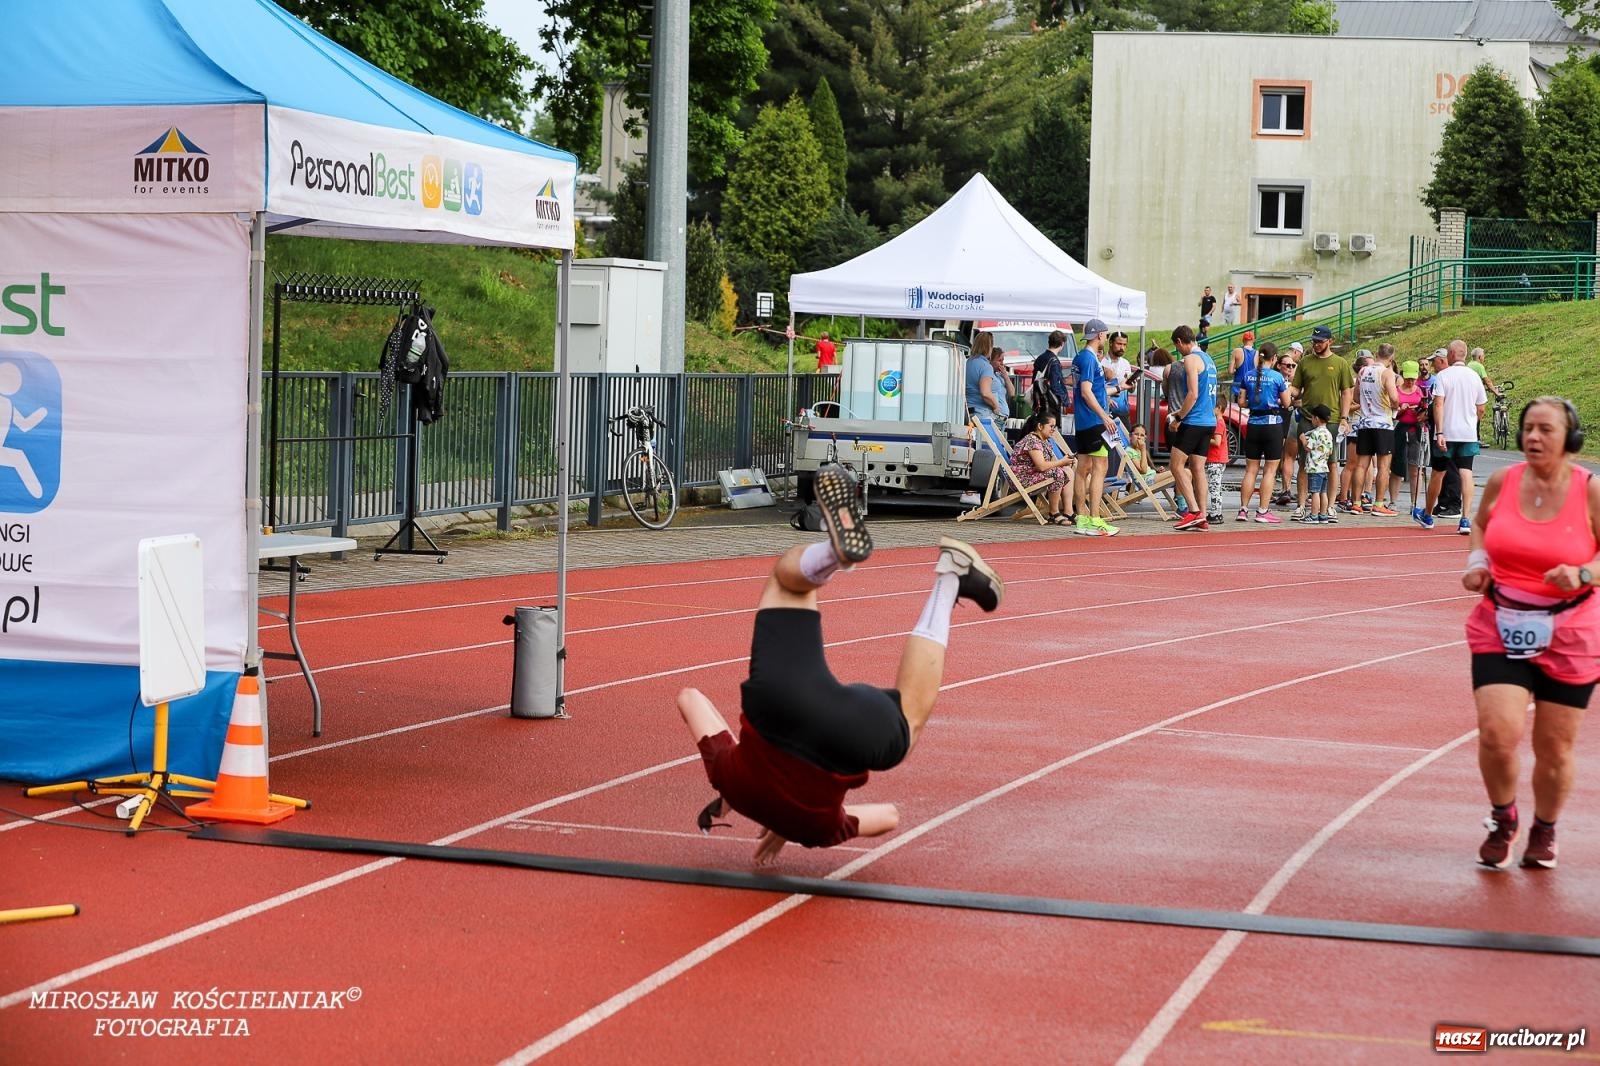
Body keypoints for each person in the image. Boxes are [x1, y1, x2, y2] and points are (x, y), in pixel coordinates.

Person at [682, 463, 1004, 864]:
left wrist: (789, 826)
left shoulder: (816, 830)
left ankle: (951, 577)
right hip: (781, 706)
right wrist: (728, 788)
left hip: (849, 736)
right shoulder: (728, 779)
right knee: (785, 583)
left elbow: (888, 817)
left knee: (911, 717)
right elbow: (690, 697)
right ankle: (834, 553)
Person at [1461, 397, 1600, 869]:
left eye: (1545, 429)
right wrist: (1478, 564)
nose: (1534, 437)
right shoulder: (1503, 480)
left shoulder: (1590, 491)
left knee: (1554, 748)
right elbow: (1480, 527)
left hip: (1573, 630)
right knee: (1498, 734)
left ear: (1570, 440)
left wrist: (1584, 573)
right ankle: (1504, 817)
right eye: (1528, 429)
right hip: (1501, 622)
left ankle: (1545, 828)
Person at [1421, 340, 1487, 534]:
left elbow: (1438, 404)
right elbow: (1481, 407)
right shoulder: (1474, 376)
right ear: (1465, 355)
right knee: (1466, 471)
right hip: (1467, 432)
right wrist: (1472, 423)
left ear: (1450, 354)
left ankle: (1428, 514)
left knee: (1438, 472)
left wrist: (1439, 431)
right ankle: (1465, 518)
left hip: (1447, 431)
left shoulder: (1443, 376)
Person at [1289, 326, 1354, 522]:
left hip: (1331, 420)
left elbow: (1346, 392)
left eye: (1320, 341)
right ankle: (1301, 504)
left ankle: (1330, 506)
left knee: (1331, 463)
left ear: (1330, 341)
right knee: (1303, 462)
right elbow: (1295, 388)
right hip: (1308, 417)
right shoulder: (1305, 362)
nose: (1316, 345)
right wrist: (1283, 390)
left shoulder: (1340, 363)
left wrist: (1344, 417)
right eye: (1314, 341)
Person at [1071, 319, 1119, 537]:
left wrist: (1113, 392)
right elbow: (1086, 391)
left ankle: (1081, 518)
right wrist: (1104, 416)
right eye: (1106, 335)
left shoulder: (1080, 357)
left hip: (1083, 421)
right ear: (1099, 335)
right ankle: (1095, 519)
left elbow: (1091, 390)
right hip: (1094, 421)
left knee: (1082, 470)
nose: (1106, 338)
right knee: (1100, 467)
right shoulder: (1090, 359)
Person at [1167, 324, 1217, 531]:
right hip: (1208, 421)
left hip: (1194, 420)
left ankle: (1194, 511)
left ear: (1180, 341)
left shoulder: (1190, 359)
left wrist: (1178, 416)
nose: (1179, 352)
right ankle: (1202, 515)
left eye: (1177, 347)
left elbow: (1193, 394)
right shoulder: (1209, 359)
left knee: (1176, 465)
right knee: (1198, 468)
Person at [1234, 341, 1288, 523]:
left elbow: (1241, 402)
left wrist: (1253, 403)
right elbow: (1287, 403)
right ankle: (1263, 511)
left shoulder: (1248, 376)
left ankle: (1243, 510)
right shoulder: (1277, 377)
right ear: (1273, 359)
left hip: (1253, 424)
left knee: (1251, 470)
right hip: (1272, 425)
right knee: (1270, 471)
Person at [1350, 342, 1400, 516]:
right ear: (1391, 358)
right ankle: (1378, 504)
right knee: (1383, 466)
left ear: (1376, 354)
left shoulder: (1363, 371)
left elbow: (1355, 396)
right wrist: (1396, 404)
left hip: (1364, 422)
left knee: (1361, 465)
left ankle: (1356, 503)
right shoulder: (1387, 373)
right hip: (1382, 423)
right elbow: (1394, 398)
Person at [1009, 412, 1076, 525]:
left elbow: (1046, 465)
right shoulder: (1032, 441)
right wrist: (1061, 462)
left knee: (1067, 471)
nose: (1053, 430)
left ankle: (1068, 512)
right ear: (1040, 426)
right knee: (1057, 473)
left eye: (1054, 427)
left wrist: (1064, 462)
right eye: (1051, 426)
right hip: (1022, 479)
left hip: (1032, 475)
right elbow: (1041, 466)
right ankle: (1053, 513)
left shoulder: (1043, 441)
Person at [1390, 360, 1428, 521]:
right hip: (1400, 428)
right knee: (1398, 467)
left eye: (1413, 378)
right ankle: (1393, 501)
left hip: (1416, 429)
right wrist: (1400, 409)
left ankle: (1414, 502)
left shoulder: (1419, 391)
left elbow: (1425, 410)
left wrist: (1422, 411)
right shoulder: (1397, 391)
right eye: (1408, 378)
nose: (1411, 381)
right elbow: (1392, 413)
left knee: (1415, 468)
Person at [1030, 329, 1071, 427]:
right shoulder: (1054, 361)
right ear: (1062, 344)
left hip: (1039, 402)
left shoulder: (1040, 358)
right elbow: (1055, 385)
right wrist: (1065, 400)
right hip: (1051, 405)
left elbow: (1034, 380)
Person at [964, 331, 1006, 424]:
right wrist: (996, 406)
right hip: (983, 415)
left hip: (968, 412)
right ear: (989, 346)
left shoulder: (968, 362)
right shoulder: (985, 366)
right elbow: (985, 393)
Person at [1302, 405, 1335, 524]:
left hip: (1314, 467)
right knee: (1323, 492)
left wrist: (1303, 439)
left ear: (1316, 418)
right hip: (1324, 467)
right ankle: (1323, 514)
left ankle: (1314, 515)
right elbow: (1331, 450)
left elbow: (1308, 448)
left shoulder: (1315, 433)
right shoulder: (1328, 433)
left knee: (1314, 492)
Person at [1102, 331, 1133, 424]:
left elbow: (1131, 390)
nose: (1122, 348)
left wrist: (1133, 383)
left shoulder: (1125, 363)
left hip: (1123, 411)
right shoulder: (1101, 362)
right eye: (1119, 344)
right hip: (1105, 411)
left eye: (1124, 345)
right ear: (1110, 343)